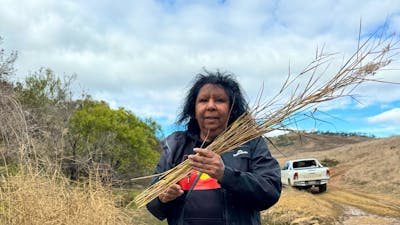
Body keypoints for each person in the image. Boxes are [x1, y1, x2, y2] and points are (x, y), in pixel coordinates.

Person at [146, 70, 281, 225]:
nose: (211, 106)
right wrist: (162, 198)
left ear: (232, 109)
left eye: (220, 100)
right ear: (193, 109)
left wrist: (225, 174)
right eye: (203, 100)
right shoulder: (176, 145)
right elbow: (152, 204)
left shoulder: (250, 143)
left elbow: (270, 192)